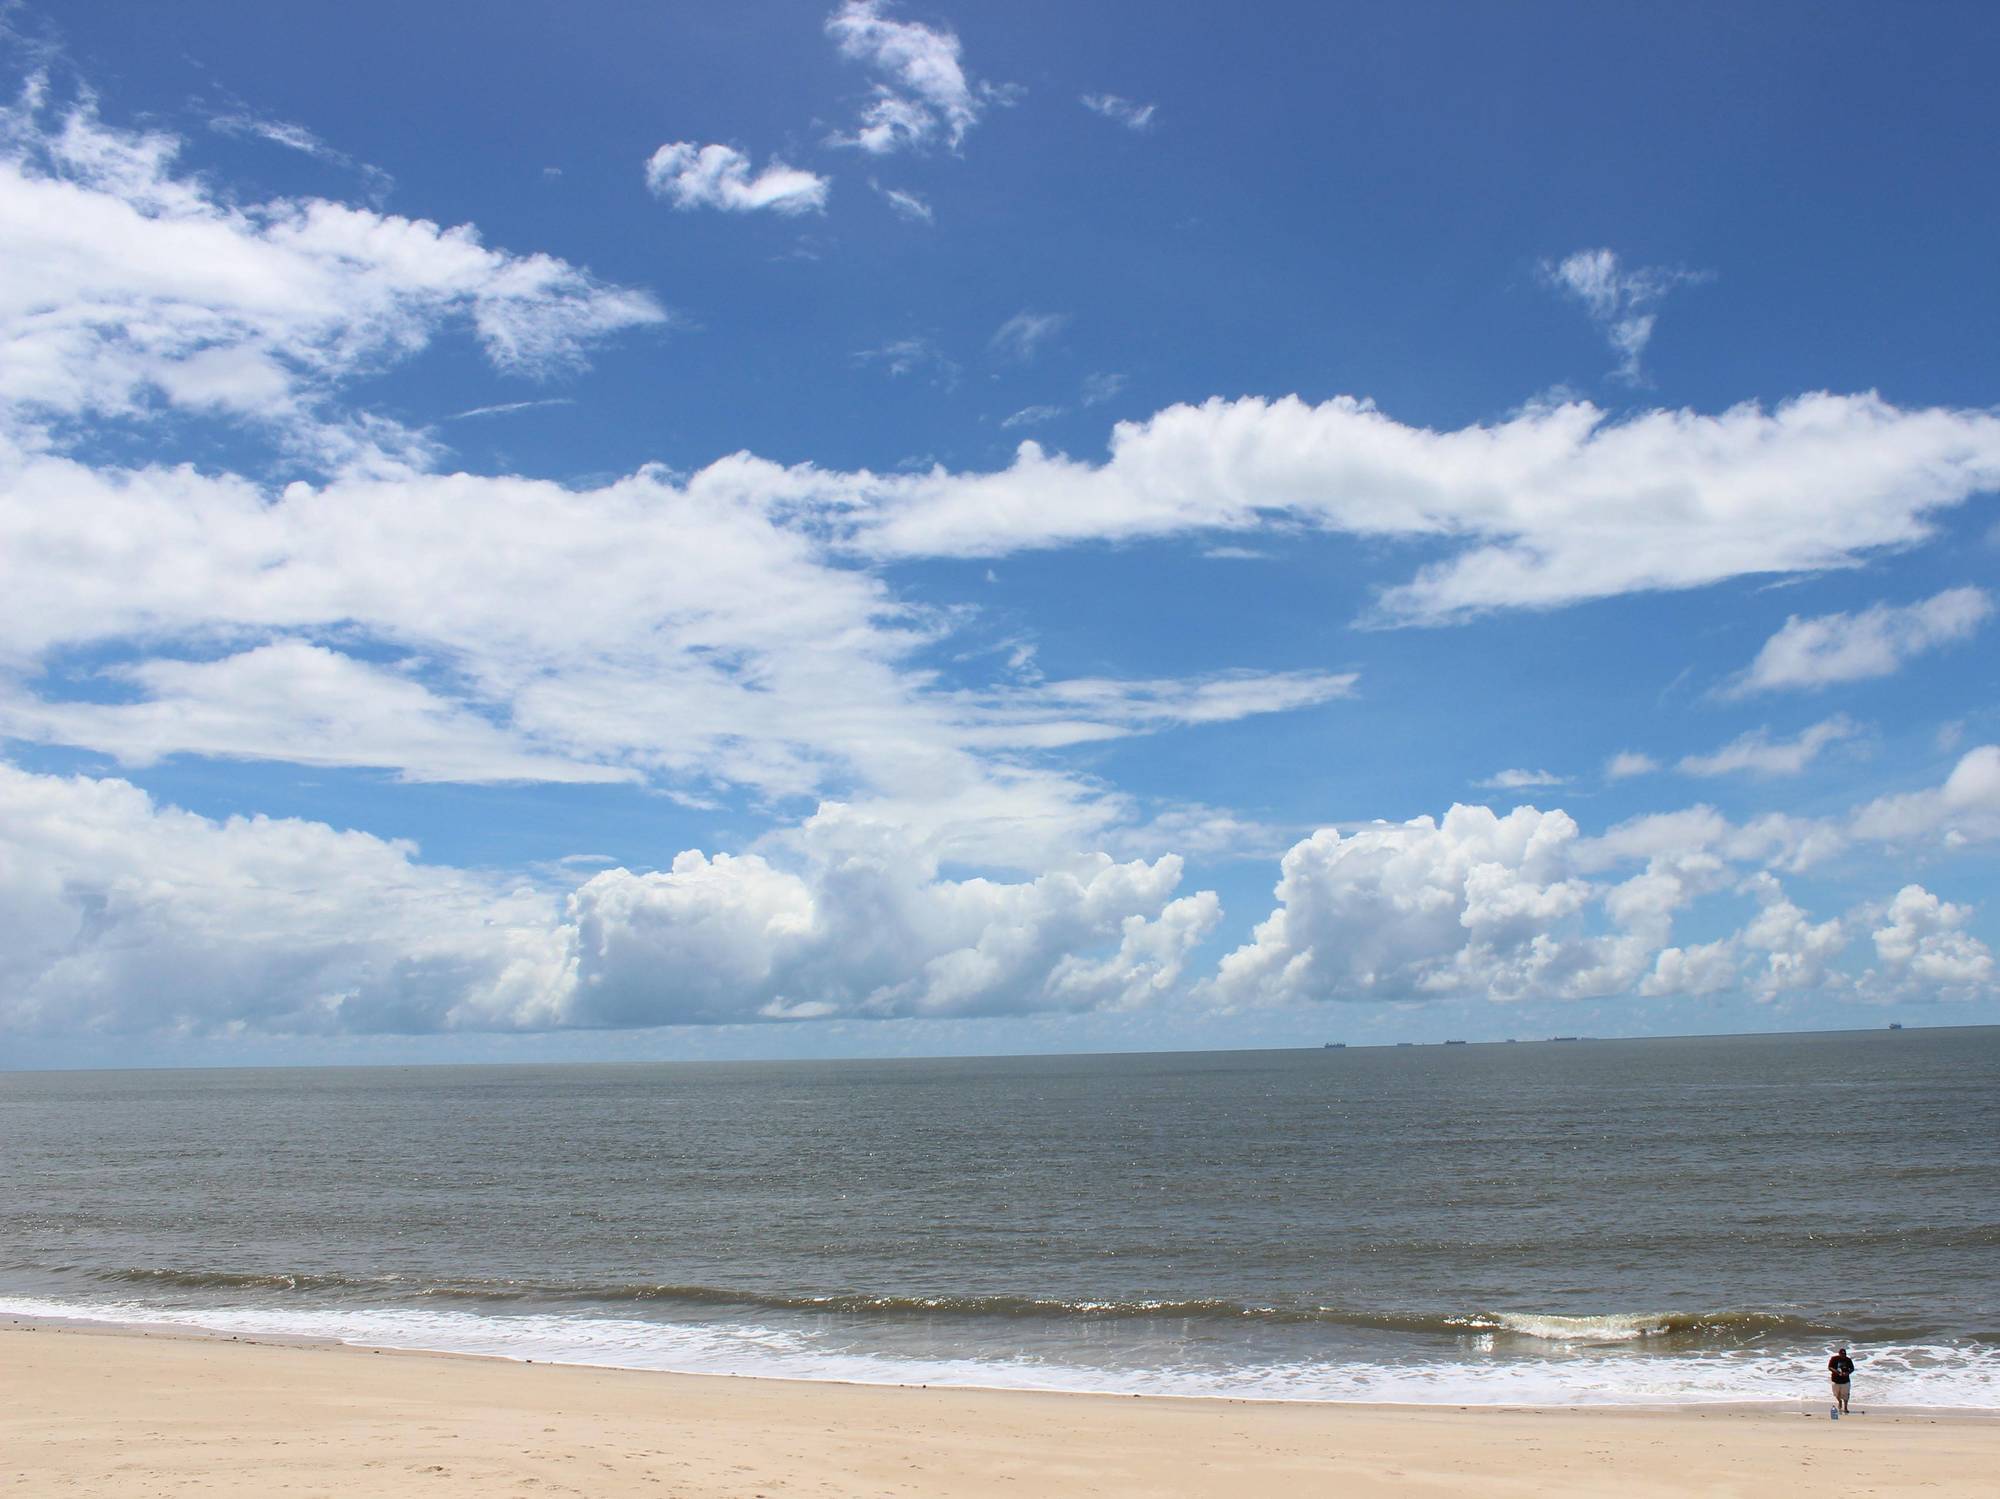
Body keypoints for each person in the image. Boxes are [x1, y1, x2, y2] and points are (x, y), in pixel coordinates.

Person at [1828, 1346, 1856, 1413]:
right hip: (1835, 1380)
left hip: (1845, 1381)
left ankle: (1845, 1408)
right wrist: (1837, 1372)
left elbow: (1852, 1368)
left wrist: (1848, 1373)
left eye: (1844, 1354)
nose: (1843, 1355)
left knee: (1846, 1395)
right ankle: (1839, 1401)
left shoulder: (1848, 1360)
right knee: (1837, 1394)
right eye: (1842, 1354)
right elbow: (1829, 1367)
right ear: (1839, 1354)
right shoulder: (1834, 1359)